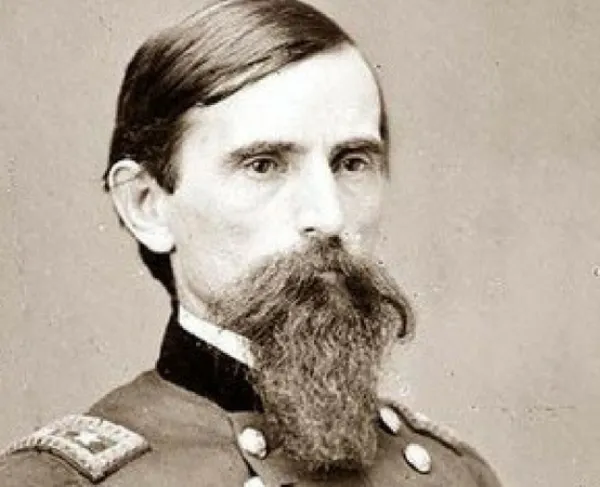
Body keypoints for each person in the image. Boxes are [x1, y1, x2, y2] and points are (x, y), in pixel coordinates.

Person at [0, 0, 502, 485]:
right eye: (263, 166)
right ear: (146, 205)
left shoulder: (457, 476)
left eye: (352, 163)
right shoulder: (54, 481)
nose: (328, 217)